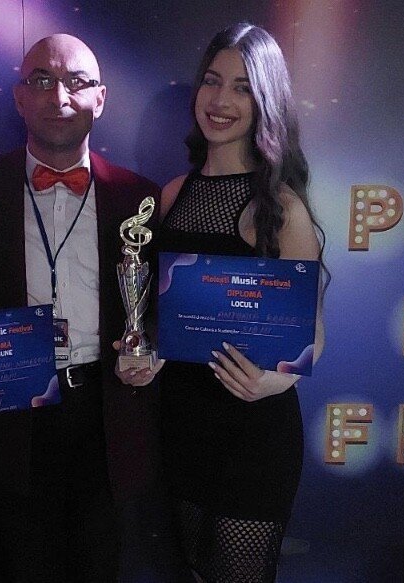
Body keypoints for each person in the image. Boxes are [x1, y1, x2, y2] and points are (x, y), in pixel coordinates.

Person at [0, 34, 167, 582]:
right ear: (19, 97)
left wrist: (151, 347)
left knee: (100, 566)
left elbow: (162, 303)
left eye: (77, 83)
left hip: (107, 413)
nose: (59, 97)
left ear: (100, 98)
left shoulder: (140, 198)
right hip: (10, 416)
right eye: (42, 81)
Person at [157, 23, 327, 583]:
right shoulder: (172, 195)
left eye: (242, 87)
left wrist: (275, 381)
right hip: (181, 422)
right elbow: (159, 312)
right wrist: (144, 353)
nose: (221, 100)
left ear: (265, 101)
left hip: (254, 430)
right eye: (212, 81)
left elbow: (313, 332)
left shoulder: (282, 207)